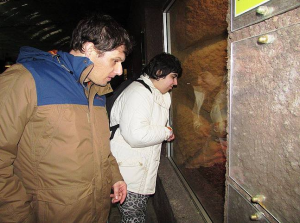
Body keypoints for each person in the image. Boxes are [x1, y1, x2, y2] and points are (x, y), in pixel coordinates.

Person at [0, 14, 133, 223]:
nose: (118, 71)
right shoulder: (25, 79)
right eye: (115, 60)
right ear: (89, 49)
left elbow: (101, 150)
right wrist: (17, 216)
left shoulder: (96, 92)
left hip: (96, 212)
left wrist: (114, 177)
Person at [109, 52, 182, 222]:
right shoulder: (139, 93)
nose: (175, 83)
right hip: (129, 174)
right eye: (173, 77)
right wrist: (166, 132)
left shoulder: (150, 92)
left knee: (136, 215)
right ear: (158, 73)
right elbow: (136, 135)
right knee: (134, 217)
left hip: (135, 168)